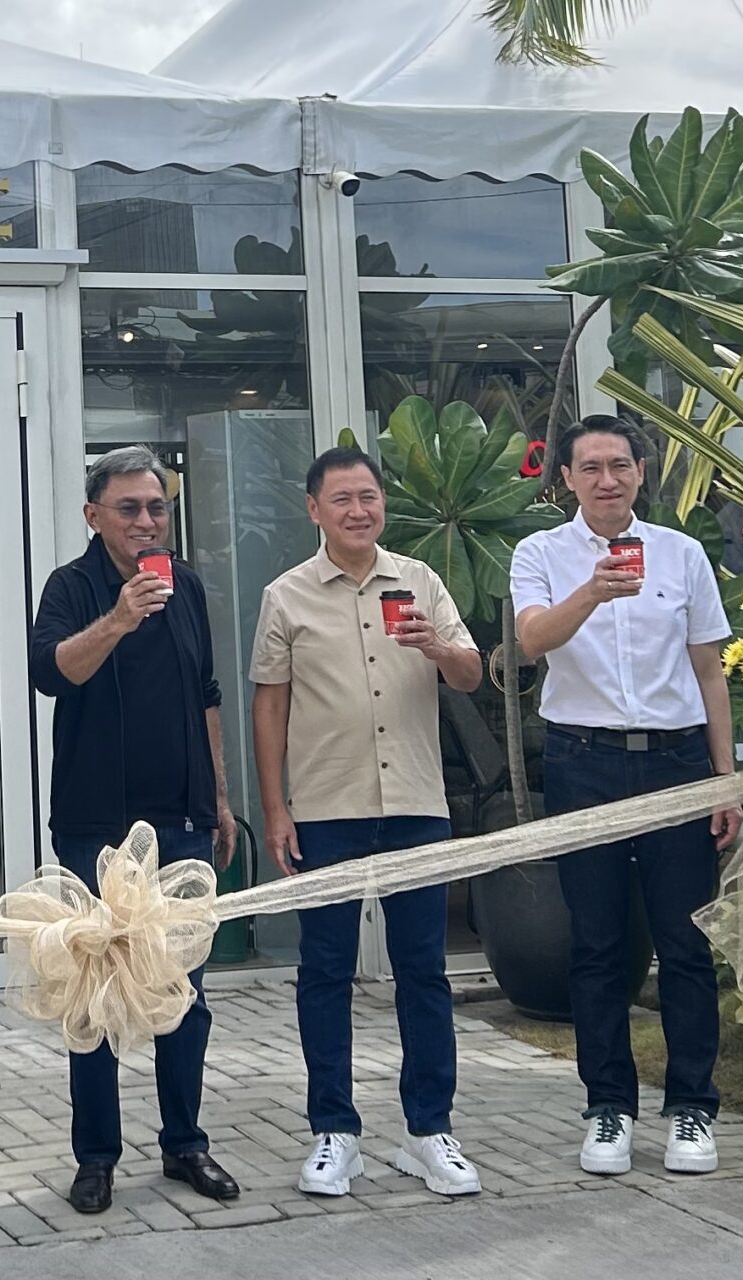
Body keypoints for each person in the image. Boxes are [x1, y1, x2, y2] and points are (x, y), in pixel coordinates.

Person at [511, 415, 741, 1179]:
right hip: (583, 762)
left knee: (685, 943)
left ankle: (692, 1108)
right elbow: (533, 640)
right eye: (590, 468)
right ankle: (608, 1106)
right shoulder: (541, 554)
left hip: (676, 761)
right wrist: (594, 590)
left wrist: (723, 778)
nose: (606, 480)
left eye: (619, 465)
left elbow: (709, 671)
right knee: (598, 943)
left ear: (641, 471)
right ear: (566, 479)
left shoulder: (682, 553)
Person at [253, 447, 486, 1201]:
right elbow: (270, 704)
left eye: (369, 497)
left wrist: (435, 645)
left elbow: (471, 674)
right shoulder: (286, 595)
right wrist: (276, 808)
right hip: (326, 810)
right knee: (325, 972)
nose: (359, 511)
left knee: (424, 971)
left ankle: (429, 1130)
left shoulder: (420, 581)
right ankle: (335, 1132)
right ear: (314, 510)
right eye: (342, 499)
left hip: (416, 804)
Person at [28, 446, 242, 1216]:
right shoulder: (71, 586)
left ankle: (186, 1143)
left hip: (181, 822)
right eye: (129, 509)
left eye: (157, 507)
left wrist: (220, 798)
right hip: (96, 828)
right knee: (94, 999)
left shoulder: (186, 584)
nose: (147, 521)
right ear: (95, 516)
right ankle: (96, 1157)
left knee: (184, 992)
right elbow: (51, 672)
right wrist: (119, 619)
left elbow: (207, 691)